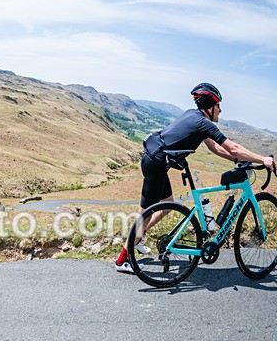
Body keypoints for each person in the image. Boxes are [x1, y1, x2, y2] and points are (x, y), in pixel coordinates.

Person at [115, 82, 276, 273]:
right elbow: (232, 147)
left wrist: (238, 160)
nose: (220, 110)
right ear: (210, 106)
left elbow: (216, 148)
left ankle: (137, 239)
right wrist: (263, 159)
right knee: (145, 213)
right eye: (218, 106)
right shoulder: (202, 122)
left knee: (167, 204)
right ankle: (124, 260)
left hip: (156, 157)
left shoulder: (195, 116)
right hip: (156, 162)